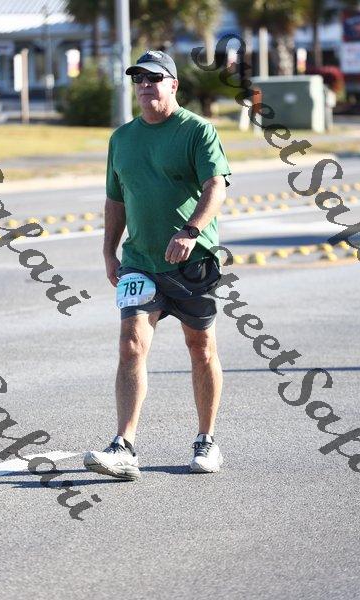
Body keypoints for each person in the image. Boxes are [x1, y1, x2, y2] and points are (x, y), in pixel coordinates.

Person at [84, 50, 231, 480]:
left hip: (191, 261)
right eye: (139, 79)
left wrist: (191, 231)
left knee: (200, 347)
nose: (145, 85)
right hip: (140, 262)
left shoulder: (197, 131)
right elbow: (115, 199)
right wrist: (109, 251)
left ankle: (206, 440)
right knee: (131, 344)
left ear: (173, 84)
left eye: (154, 78)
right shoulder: (122, 139)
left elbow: (216, 186)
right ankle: (123, 446)